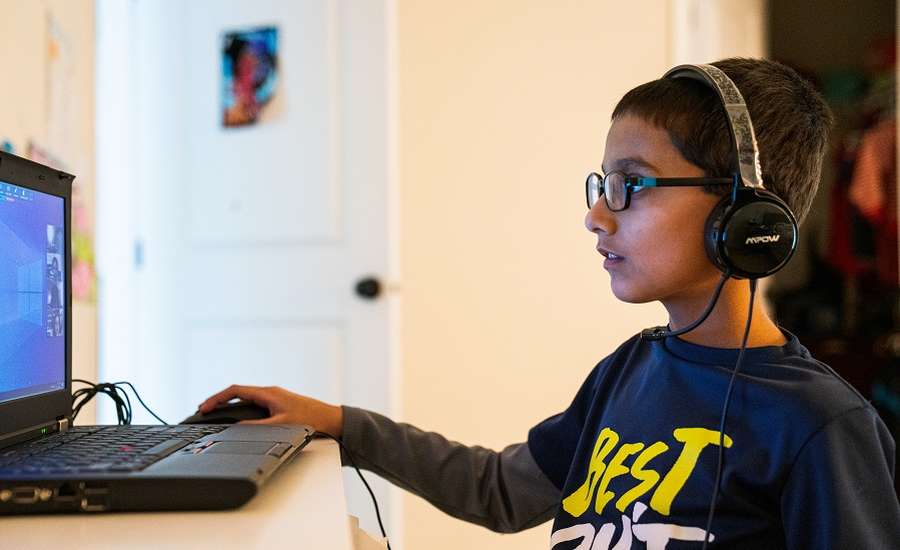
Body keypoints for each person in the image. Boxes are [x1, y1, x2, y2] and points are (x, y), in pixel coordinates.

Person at [199, 58, 900, 549]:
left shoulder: (820, 425)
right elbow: (505, 491)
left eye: (632, 184)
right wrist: (344, 425)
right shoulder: (626, 373)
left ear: (747, 219)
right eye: (600, 184)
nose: (598, 216)